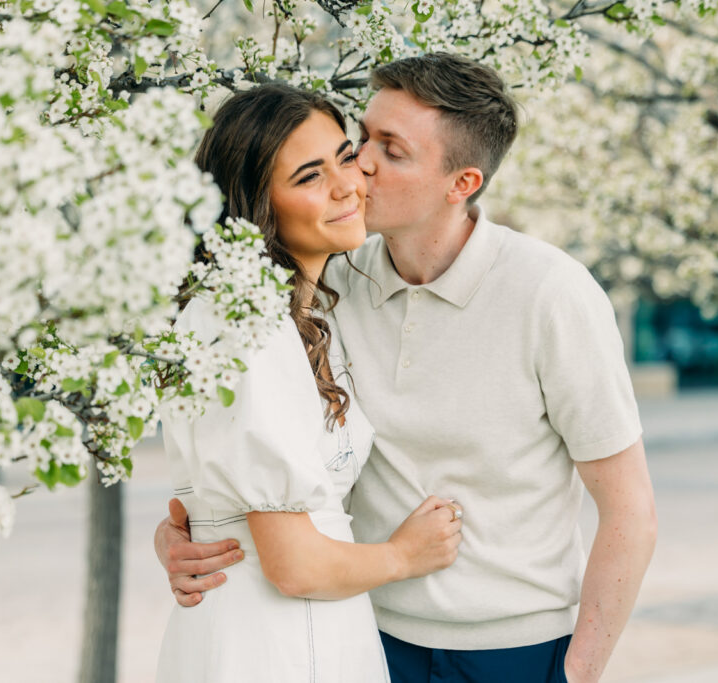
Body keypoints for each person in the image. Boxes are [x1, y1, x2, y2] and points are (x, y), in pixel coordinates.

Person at [156, 55, 658, 683]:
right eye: (362, 137)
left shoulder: (551, 294)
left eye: (390, 151)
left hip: (513, 652)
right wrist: (195, 532)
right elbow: (259, 451)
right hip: (364, 633)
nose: (360, 164)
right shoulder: (328, 278)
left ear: (461, 183)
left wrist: (578, 672)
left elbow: (630, 508)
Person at [154, 83, 463, 683]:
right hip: (279, 639)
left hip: (290, 626)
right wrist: (404, 555)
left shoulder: (303, 314)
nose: (349, 184)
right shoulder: (251, 324)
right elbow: (293, 564)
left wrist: (190, 528)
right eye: (308, 176)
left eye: (346, 158)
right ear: (255, 205)